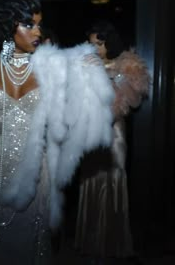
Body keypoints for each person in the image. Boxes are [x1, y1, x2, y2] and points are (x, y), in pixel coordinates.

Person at [0, 0, 114, 265]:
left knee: (33, 242)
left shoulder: (52, 67)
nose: (38, 32)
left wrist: (89, 75)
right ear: (7, 25)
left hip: (35, 170)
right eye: (29, 25)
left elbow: (79, 115)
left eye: (39, 25)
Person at [74, 20, 150, 264]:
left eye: (98, 42)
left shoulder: (125, 65)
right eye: (90, 43)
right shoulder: (84, 65)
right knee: (90, 181)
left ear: (109, 43)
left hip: (114, 132)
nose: (93, 47)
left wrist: (113, 75)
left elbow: (135, 101)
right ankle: (89, 241)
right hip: (89, 131)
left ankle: (114, 242)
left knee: (114, 180)